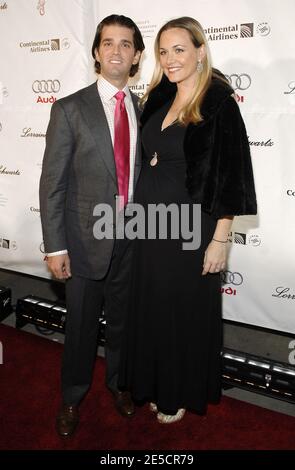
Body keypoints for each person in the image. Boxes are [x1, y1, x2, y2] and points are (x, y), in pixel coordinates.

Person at [119, 17, 257, 423]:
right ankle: (150, 382)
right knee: (153, 308)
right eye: (163, 51)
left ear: (200, 51)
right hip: (150, 225)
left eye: (179, 49)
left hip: (192, 230)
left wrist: (221, 239)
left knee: (181, 312)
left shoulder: (218, 102)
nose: (170, 58)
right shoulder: (159, 97)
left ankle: (177, 391)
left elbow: (233, 175)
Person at [39, 14, 144, 437]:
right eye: (108, 43)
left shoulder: (145, 108)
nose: (116, 50)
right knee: (80, 327)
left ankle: (119, 384)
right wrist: (55, 246)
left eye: (125, 44)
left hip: (135, 238)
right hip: (84, 241)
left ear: (136, 56)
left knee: (124, 322)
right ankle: (71, 397)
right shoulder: (69, 109)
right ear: (97, 53)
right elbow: (52, 184)